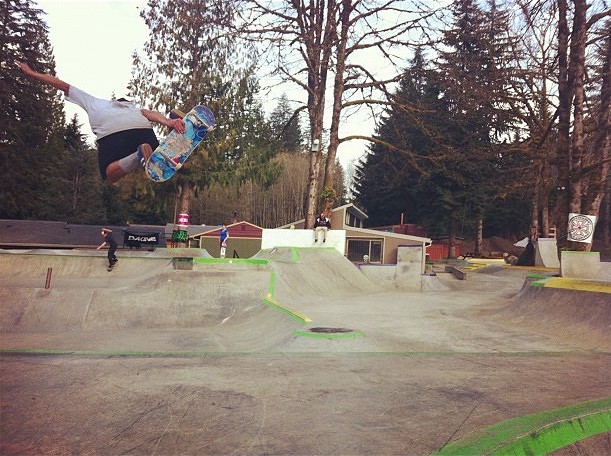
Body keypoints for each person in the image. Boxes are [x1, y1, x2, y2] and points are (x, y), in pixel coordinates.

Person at [16, 61, 186, 184]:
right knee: (158, 156)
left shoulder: (95, 102)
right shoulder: (134, 109)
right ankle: (173, 124)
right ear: (127, 102)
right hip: (142, 130)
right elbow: (149, 114)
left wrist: (32, 73)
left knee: (110, 174)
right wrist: (168, 122)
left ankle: (138, 155)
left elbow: (62, 85)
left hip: (112, 135)